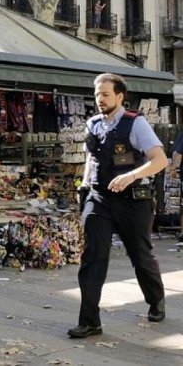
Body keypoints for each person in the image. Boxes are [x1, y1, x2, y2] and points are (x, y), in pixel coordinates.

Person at [69, 73, 168, 339]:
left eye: (105, 94)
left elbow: (161, 160)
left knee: (140, 256)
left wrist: (131, 175)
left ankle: (156, 300)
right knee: (93, 259)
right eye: (97, 94)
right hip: (99, 199)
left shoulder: (135, 124)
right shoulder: (93, 124)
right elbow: (91, 156)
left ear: (120, 96)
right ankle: (90, 322)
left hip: (133, 201)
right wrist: (85, 185)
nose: (99, 99)